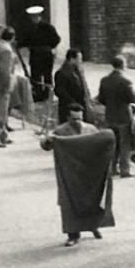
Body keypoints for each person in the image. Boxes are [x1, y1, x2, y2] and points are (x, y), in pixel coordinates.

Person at [41, 103, 113, 247]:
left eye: (80, 118)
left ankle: (93, 226)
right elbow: (46, 146)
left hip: (88, 172)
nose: (78, 122)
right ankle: (73, 235)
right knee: (68, 202)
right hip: (69, 173)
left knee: (91, 200)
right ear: (68, 118)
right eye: (74, 119)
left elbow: (99, 144)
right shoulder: (60, 131)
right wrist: (47, 140)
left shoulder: (91, 129)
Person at [96, 56, 135, 178]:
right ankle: (125, 170)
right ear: (123, 65)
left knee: (113, 143)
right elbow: (132, 99)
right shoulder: (126, 81)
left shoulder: (104, 80)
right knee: (125, 144)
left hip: (110, 115)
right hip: (124, 116)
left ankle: (112, 168)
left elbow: (101, 98)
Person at [20, 5, 61, 102]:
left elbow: (56, 39)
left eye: (35, 17)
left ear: (39, 16)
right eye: (32, 17)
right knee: (35, 75)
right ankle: (37, 95)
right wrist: (19, 44)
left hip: (46, 55)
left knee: (47, 75)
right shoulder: (30, 28)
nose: (33, 19)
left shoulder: (48, 27)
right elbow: (25, 40)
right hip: (35, 55)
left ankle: (47, 95)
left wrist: (49, 47)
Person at [53, 48, 92, 124]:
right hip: (68, 108)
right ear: (72, 59)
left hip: (81, 105)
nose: (80, 61)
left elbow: (83, 86)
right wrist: (72, 102)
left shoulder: (79, 71)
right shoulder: (62, 73)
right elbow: (59, 91)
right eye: (79, 59)